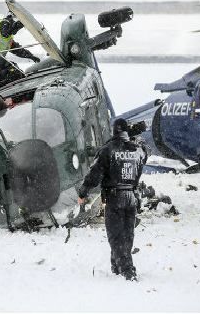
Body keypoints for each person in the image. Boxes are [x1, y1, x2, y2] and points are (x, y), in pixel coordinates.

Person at [76, 118, 146, 281]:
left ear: (113, 131)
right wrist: (133, 137)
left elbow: (95, 173)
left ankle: (127, 270)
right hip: (131, 197)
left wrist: (83, 191)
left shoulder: (108, 149)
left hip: (115, 198)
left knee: (115, 236)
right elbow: (144, 152)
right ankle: (116, 266)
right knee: (127, 235)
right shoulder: (138, 150)